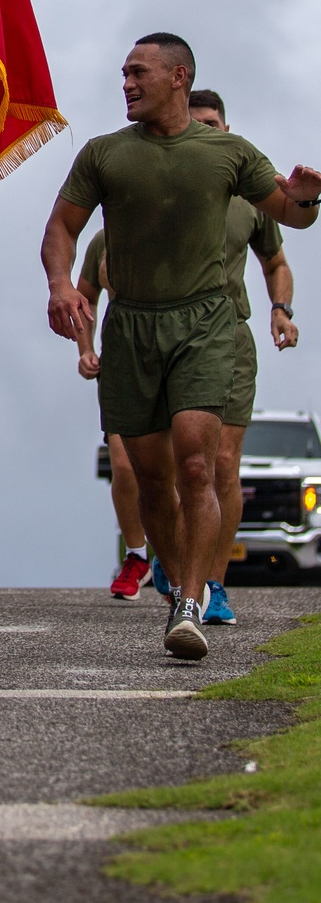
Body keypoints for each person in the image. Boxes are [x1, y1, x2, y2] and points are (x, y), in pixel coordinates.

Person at [42, 32, 320, 661]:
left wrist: (307, 194)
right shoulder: (104, 154)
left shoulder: (228, 153)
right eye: (123, 74)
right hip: (132, 324)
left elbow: (292, 215)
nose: (127, 84)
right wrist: (61, 284)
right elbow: (62, 226)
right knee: (150, 474)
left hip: (205, 324)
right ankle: (177, 587)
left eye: (138, 73)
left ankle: (192, 603)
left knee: (199, 461)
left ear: (178, 76)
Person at [187, 89, 299, 626]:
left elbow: (277, 261)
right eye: (197, 124)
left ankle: (213, 585)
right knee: (176, 467)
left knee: (223, 464)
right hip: (167, 333)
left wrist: (281, 308)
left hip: (231, 335)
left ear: (227, 128)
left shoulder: (250, 198)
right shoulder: (164, 184)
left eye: (214, 123)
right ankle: (173, 563)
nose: (207, 132)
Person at [75, 232, 153, 601]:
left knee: (172, 466)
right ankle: (137, 556)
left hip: (173, 354)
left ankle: (171, 559)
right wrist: (86, 349)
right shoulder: (103, 239)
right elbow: (85, 298)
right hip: (121, 360)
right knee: (123, 466)